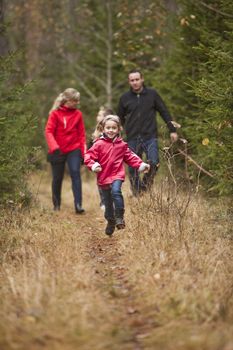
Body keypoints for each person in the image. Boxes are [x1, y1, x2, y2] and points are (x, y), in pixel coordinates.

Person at [84, 115, 150, 236]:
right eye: (108, 128)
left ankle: (119, 217)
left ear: (119, 129)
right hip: (103, 176)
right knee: (108, 203)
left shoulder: (122, 145)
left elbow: (130, 157)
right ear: (103, 129)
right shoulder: (98, 144)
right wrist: (94, 165)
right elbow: (88, 157)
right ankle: (110, 220)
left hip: (117, 175)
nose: (111, 130)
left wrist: (141, 164)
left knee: (116, 192)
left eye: (114, 128)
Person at [118, 68, 178, 196]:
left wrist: (172, 130)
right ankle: (136, 193)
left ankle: (144, 187)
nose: (135, 82)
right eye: (132, 80)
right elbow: (119, 119)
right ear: (129, 82)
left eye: (137, 79)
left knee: (154, 162)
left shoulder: (152, 94)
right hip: (132, 137)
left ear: (142, 79)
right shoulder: (124, 98)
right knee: (133, 166)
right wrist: (117, 135)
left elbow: (164, 111)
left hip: (150, 136)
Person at [45, 88, 86, 213]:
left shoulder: (78, 114)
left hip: (73, 148)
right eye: (75, 101)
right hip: (57, 149)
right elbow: (48, 131)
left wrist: (84, 153)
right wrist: (54, 147)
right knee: (57, 177)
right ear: (67, 100)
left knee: (75, 173)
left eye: (78, 101)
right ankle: (56, 205)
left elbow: (81, 135)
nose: (77, 103)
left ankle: (78, 205)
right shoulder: (55, 114)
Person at [90, 106, 114, 210]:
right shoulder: (97, 131)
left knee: (112, 182)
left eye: (100, 115)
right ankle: (103, 202)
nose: (97, 117)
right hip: (100, 162)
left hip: (112, 161)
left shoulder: (112, 131)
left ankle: (111, 201)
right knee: (101, 181)